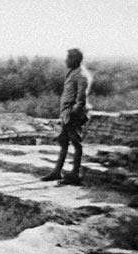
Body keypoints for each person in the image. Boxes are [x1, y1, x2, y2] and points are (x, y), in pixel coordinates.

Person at [41, 48, 92, 185]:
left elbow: (81, 99)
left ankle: (75, 173)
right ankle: (57, 172)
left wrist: (71, 115)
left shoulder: (81, 75)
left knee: (76, 142)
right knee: (63, 141)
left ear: (75, 60)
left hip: (73, 115)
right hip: (67, 113)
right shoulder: (73, 72)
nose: (66, 60)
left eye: (68, 58)